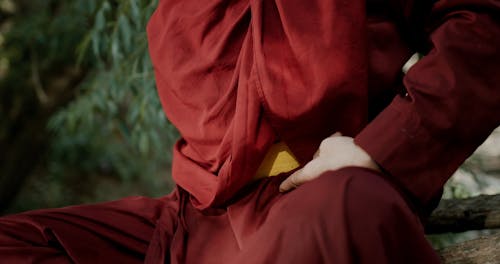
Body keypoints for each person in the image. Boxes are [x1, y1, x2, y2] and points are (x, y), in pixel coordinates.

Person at [1, 0, 499, 263]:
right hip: (194, 221)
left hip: (316, 197)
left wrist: (382, 147)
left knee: (348, 205)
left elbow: (485, 23)